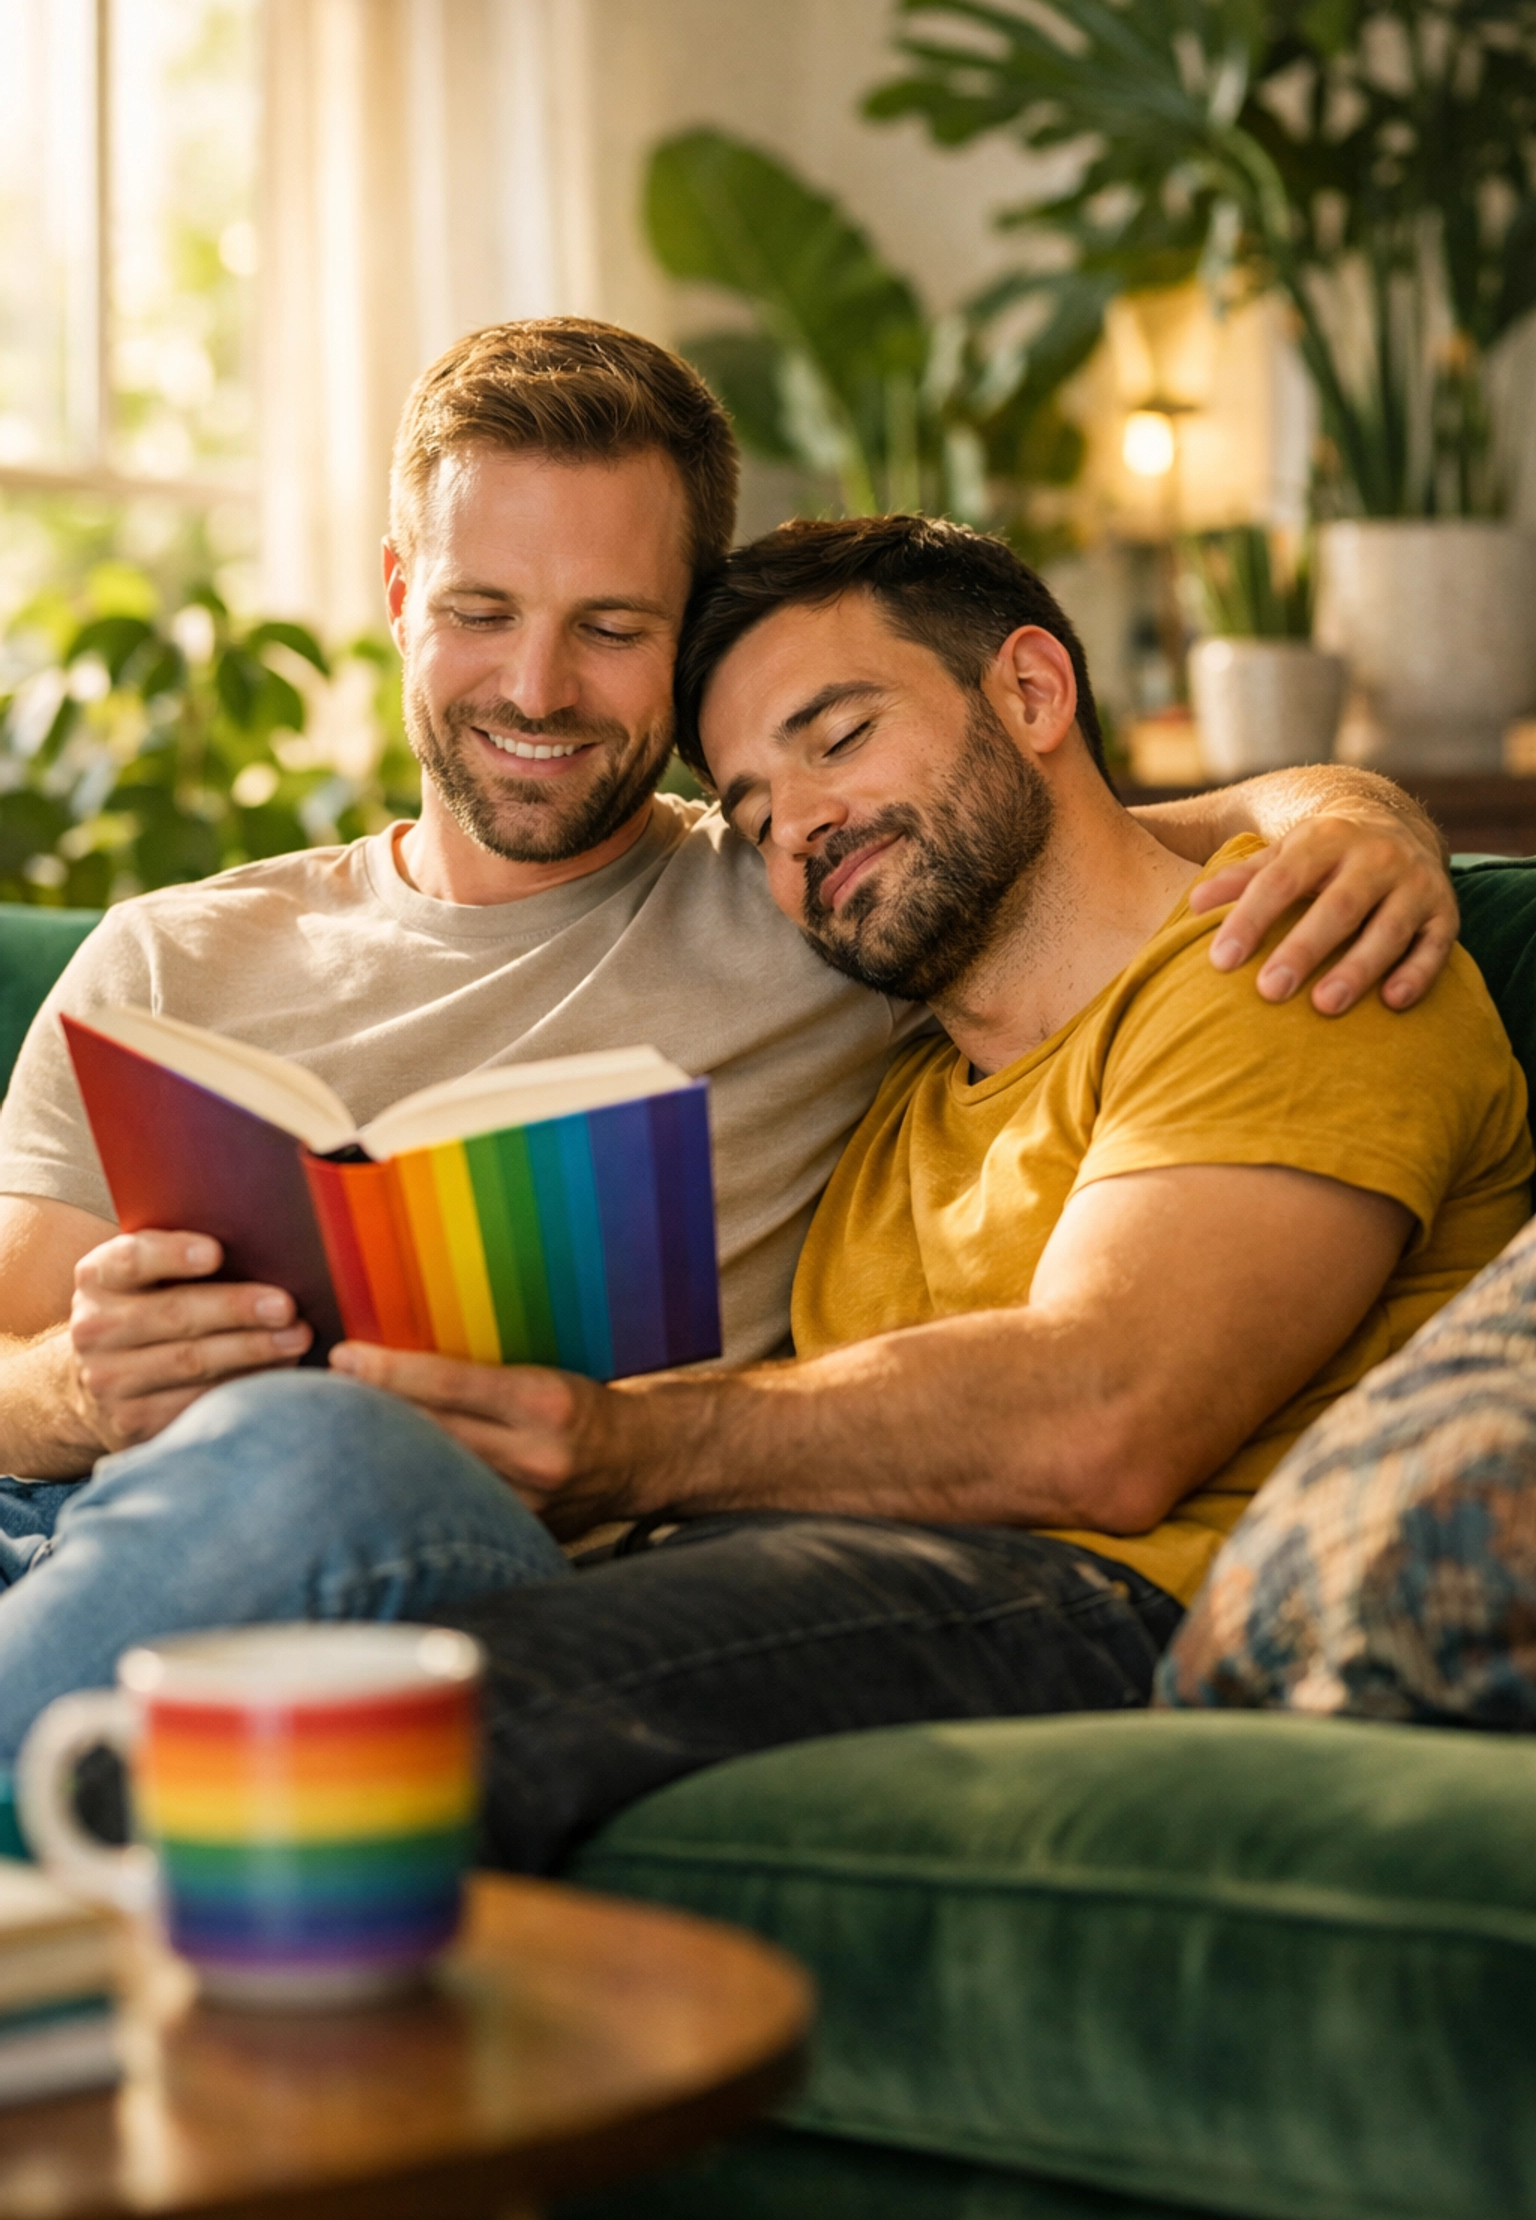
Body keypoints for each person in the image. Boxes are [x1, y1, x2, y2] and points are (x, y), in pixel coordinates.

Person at [0, 323, 1467, 1779]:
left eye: (612, 628)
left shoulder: (819, 899)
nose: (536, 688)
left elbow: (1077, 851)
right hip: (72, 1529)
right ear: (399, 595)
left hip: (417, 1540)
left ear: (681, 637)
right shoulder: (166, 955)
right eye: (481, 610)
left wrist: (1351, 819)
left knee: (319, 1451)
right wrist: (76, 1388)